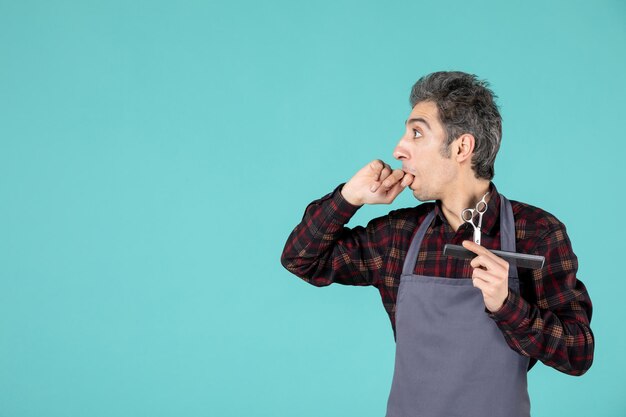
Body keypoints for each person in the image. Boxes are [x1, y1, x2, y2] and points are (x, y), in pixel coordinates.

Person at [280, 71, 594, 417]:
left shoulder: (536, 233)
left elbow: (578, 353)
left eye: (416, 133)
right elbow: (301, 258)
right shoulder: (399, 236)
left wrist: (507, 305)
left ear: (462, 147)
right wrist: (349, 197)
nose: (399, 149)